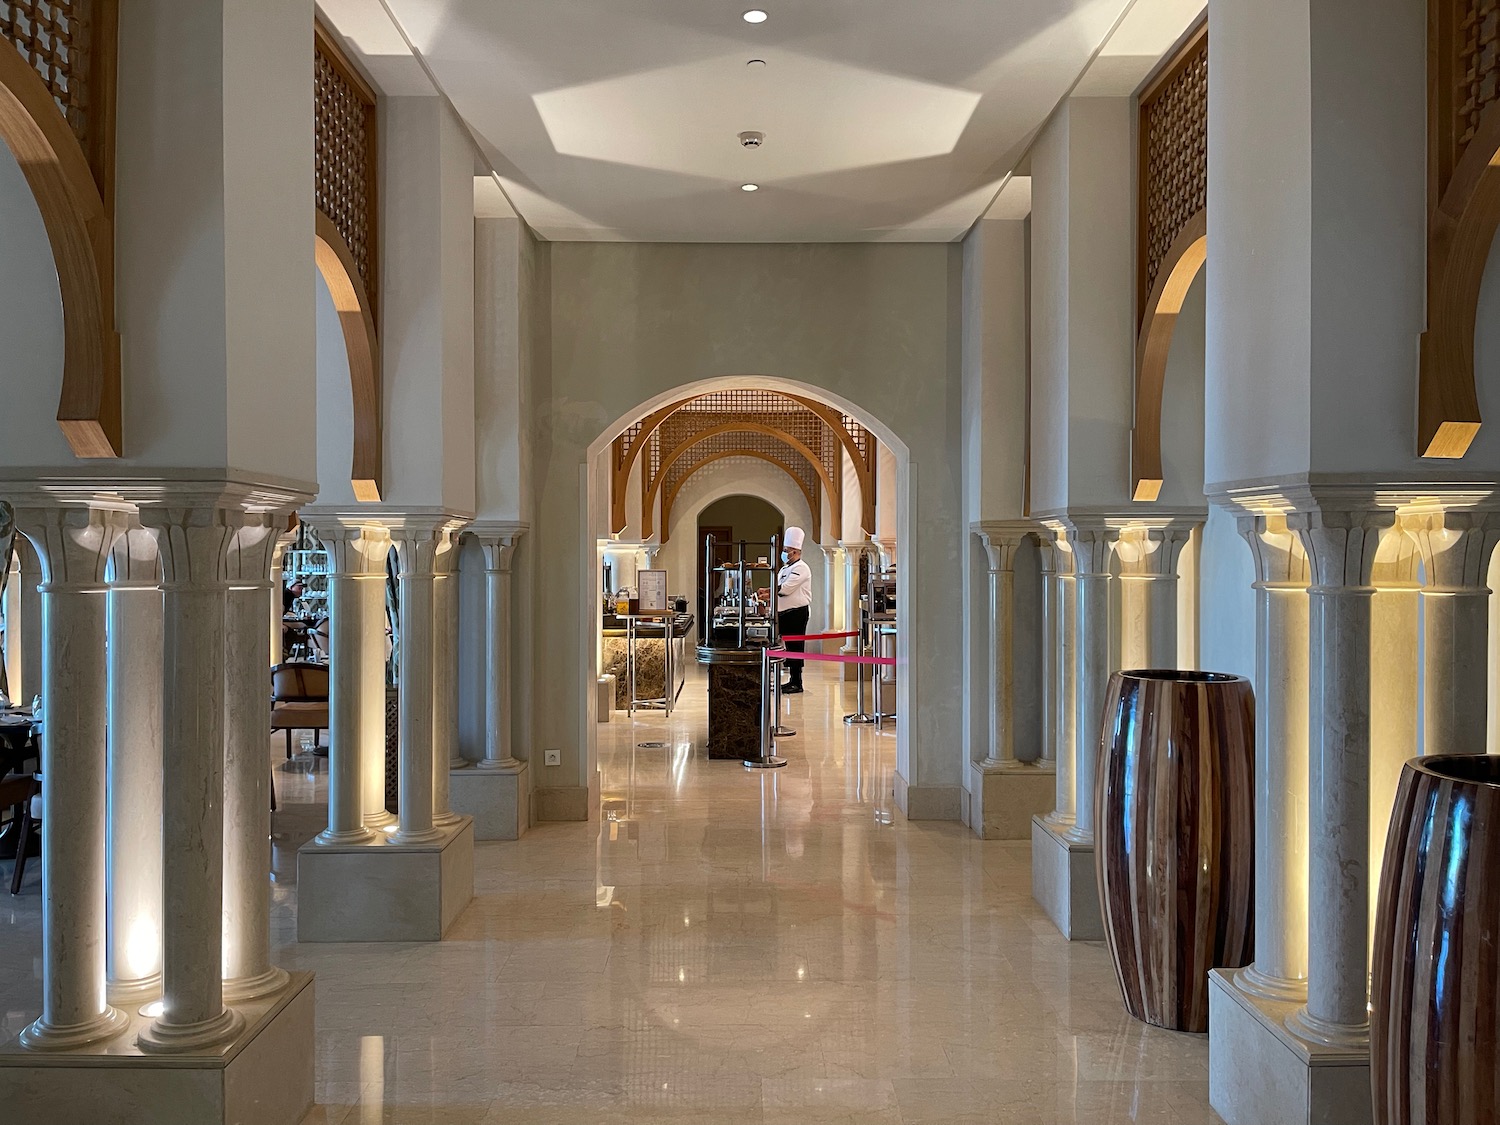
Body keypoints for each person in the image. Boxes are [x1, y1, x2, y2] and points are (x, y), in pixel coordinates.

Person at [776, 527, 812, 693]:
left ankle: (797, 682)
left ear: (795, 551)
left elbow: (785, 589)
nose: (784, 553)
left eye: (786, 551)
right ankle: (792, 680)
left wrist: (771, 591)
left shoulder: (801, 568)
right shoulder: (785, 569)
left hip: (796, 614)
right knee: (789, 648)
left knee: (796, 647)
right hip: (785, 614)